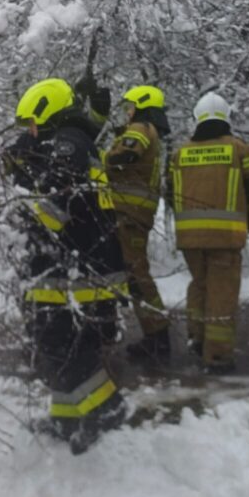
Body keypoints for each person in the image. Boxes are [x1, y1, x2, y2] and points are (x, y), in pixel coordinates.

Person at [2, 77, 128, 454]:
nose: (32, 133)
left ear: (48, 113)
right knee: (60, 344)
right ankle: (67, 416)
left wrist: (17, 214)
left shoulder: (69, 144)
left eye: (33, 124)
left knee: (60, 343)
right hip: (72, 268)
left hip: (76, 269)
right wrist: (17, 163)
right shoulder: (72, 142)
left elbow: (55, 204)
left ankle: (106, 408)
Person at [167, 91, 249, 372]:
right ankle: (219, 355)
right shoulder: (239, 149)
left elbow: (170, 191)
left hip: (190, 237)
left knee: (199, 286)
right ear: (226, 117)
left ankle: (197, 340)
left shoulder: (180, 153)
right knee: (222, 293)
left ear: (197, 118)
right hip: (225, 237)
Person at [105, 84, 171, 361]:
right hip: (134, 214)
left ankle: (158, 337)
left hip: (129, 214)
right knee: (131, 275)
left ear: (142, 106)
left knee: (137, 276)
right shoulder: (149, 131)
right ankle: (155, 335)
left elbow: (124, 156)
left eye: (130, 107)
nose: (127, 113)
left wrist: (101, 158)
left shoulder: (141, 129)